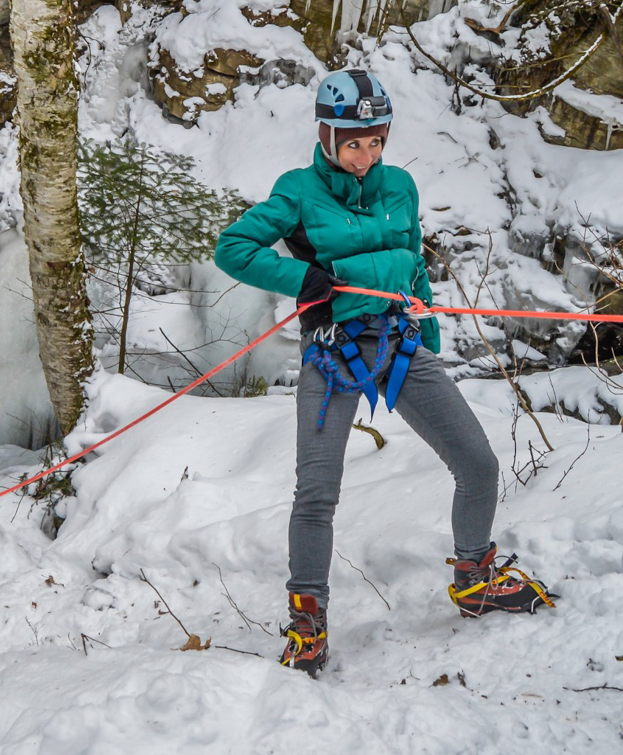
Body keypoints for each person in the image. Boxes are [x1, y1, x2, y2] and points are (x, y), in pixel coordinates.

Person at [215, 69, 556, 677]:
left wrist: (427, 336)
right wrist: (303, 280)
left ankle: (473, 577)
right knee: (317, 492)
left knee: (477, 462)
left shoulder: (399, 186)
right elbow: (233, 248)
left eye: (375, 142)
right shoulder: (296, 192)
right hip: (333, 349)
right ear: (325, 136)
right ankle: (308, 622)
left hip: (398, 344)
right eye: (352, 143)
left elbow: (414, 262)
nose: (365, 156)